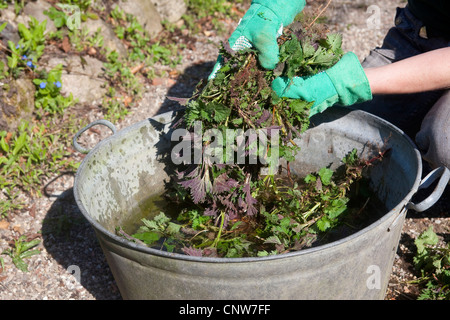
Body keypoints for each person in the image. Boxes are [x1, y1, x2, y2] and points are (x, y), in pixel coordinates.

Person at [210, 0, 450, 172]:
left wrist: (349, 82)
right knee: (347, 125)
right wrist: (271, 7)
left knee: (442, 141)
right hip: (417, 33)